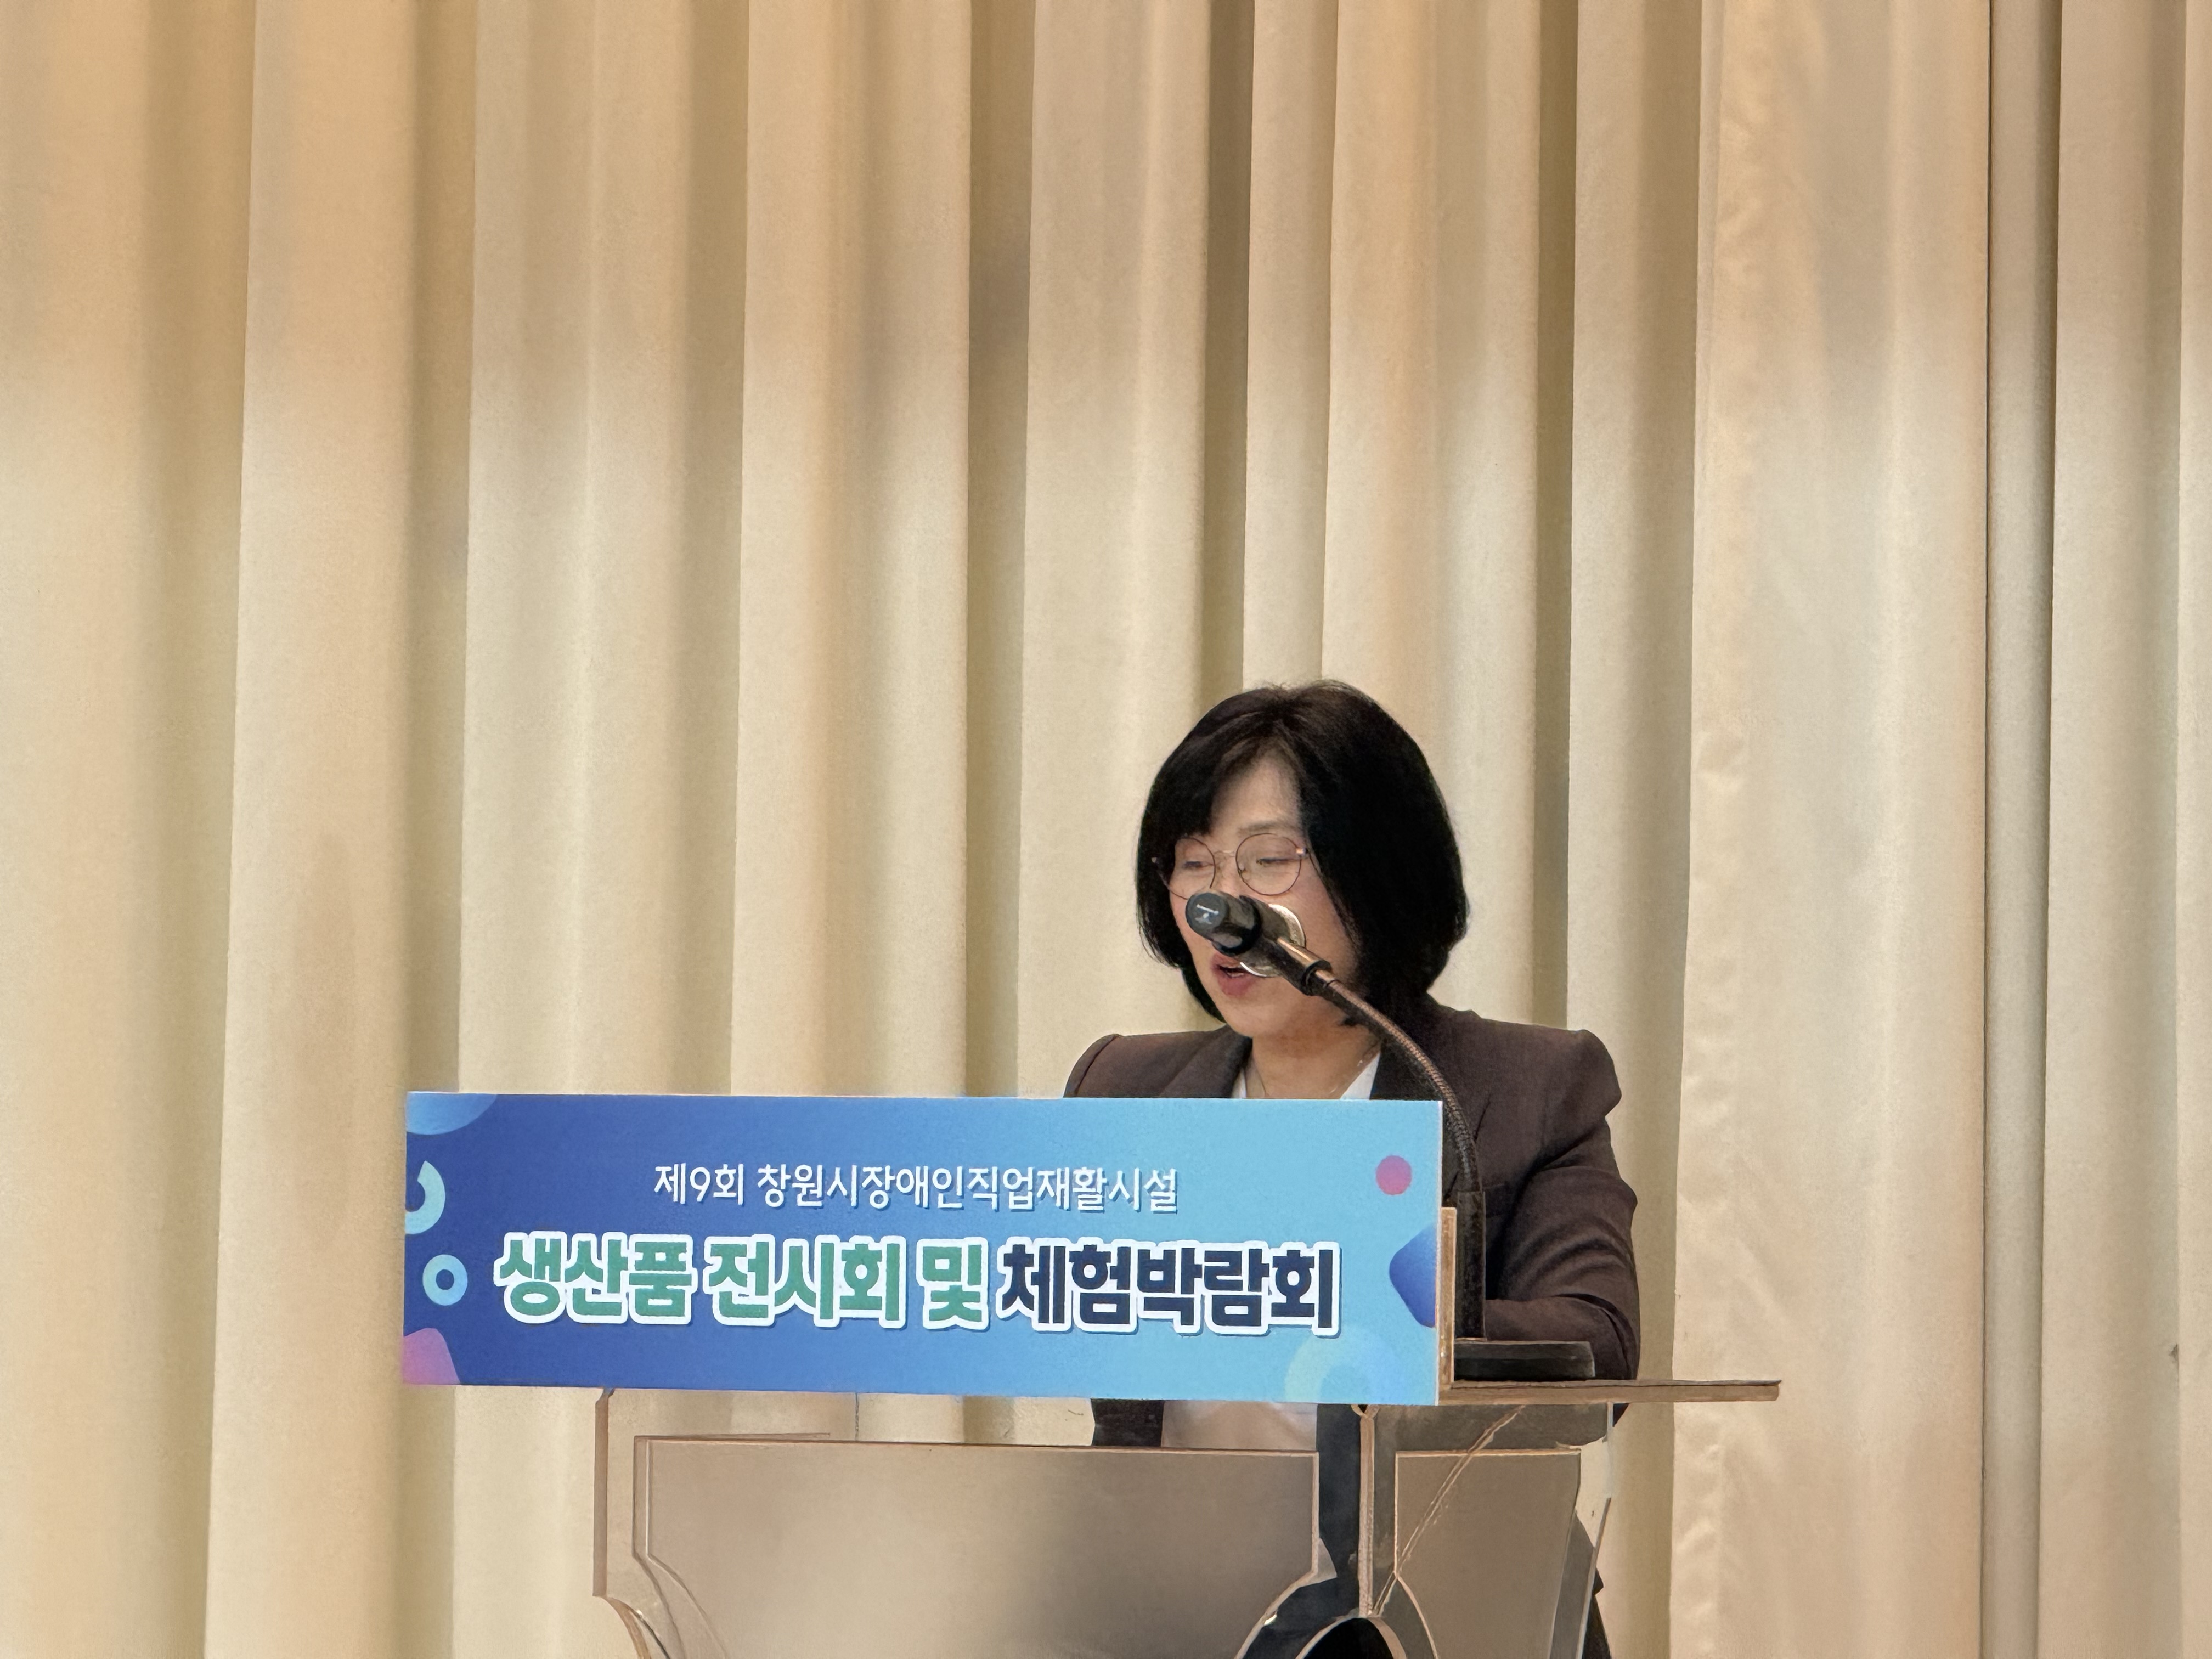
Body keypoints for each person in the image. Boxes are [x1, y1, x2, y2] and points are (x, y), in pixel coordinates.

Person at [1064, 681, 1638, 1659]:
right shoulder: (1123, 1091)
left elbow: (1597, 1348)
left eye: (1270, 860)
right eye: (1195, 863)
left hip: (1440, 1621)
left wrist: (1356, 1300)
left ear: (1376, 870)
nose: (1220, 906)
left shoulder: (1525, 1086)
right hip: (1177, 1615)